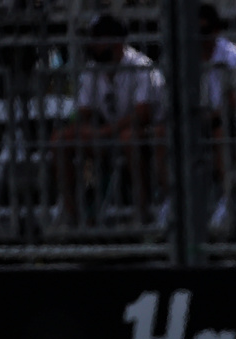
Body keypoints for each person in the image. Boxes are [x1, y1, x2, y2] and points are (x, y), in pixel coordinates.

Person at [51, 14, 164, 227]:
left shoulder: (140, 65)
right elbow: (85, 111)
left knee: (129, 137)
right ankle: (75, 217)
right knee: (61, 139)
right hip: (108, 134)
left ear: (116, 41)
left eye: (98, 39)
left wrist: (104, 131)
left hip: (145, 134)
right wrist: (91, 130)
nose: (92, 45)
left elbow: (142, 114)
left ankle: (143, 212)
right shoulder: (92, 70)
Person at [154, 4, 236, 230]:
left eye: (204, 31)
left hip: (226, 120)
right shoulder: (183, 54)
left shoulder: (232, 55)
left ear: (216, 30)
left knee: (220, 132)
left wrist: (210, 116)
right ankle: (172, 199)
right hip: (191, 120)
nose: (199, 37)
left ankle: (227, 201)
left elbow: (234, 100)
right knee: (161, 134)